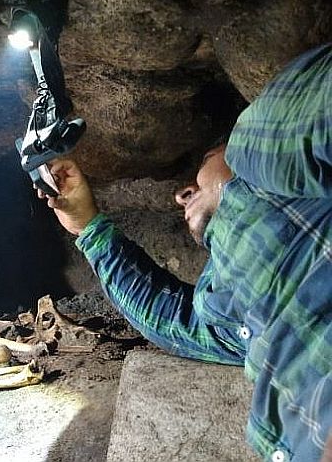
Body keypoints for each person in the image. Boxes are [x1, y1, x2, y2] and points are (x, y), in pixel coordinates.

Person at [40, 43, 332, 461]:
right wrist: (87, 226)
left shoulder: (257, 147)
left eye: (204, 162)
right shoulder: (229, 308)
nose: (182, 194)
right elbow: (173, 322)